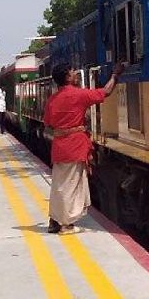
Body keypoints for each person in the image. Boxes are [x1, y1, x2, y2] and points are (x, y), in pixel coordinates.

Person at [44, 61, 124, 235]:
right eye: (73, 71)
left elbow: (48, 124)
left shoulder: (52, 100)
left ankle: (54, 220)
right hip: (75, 147)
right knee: (71, 186)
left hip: (59, 147)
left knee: (59, 184)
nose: (76, 74)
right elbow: (105, 92)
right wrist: (115, 75)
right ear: (67, 77)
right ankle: (66, 225)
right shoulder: (78, 95)